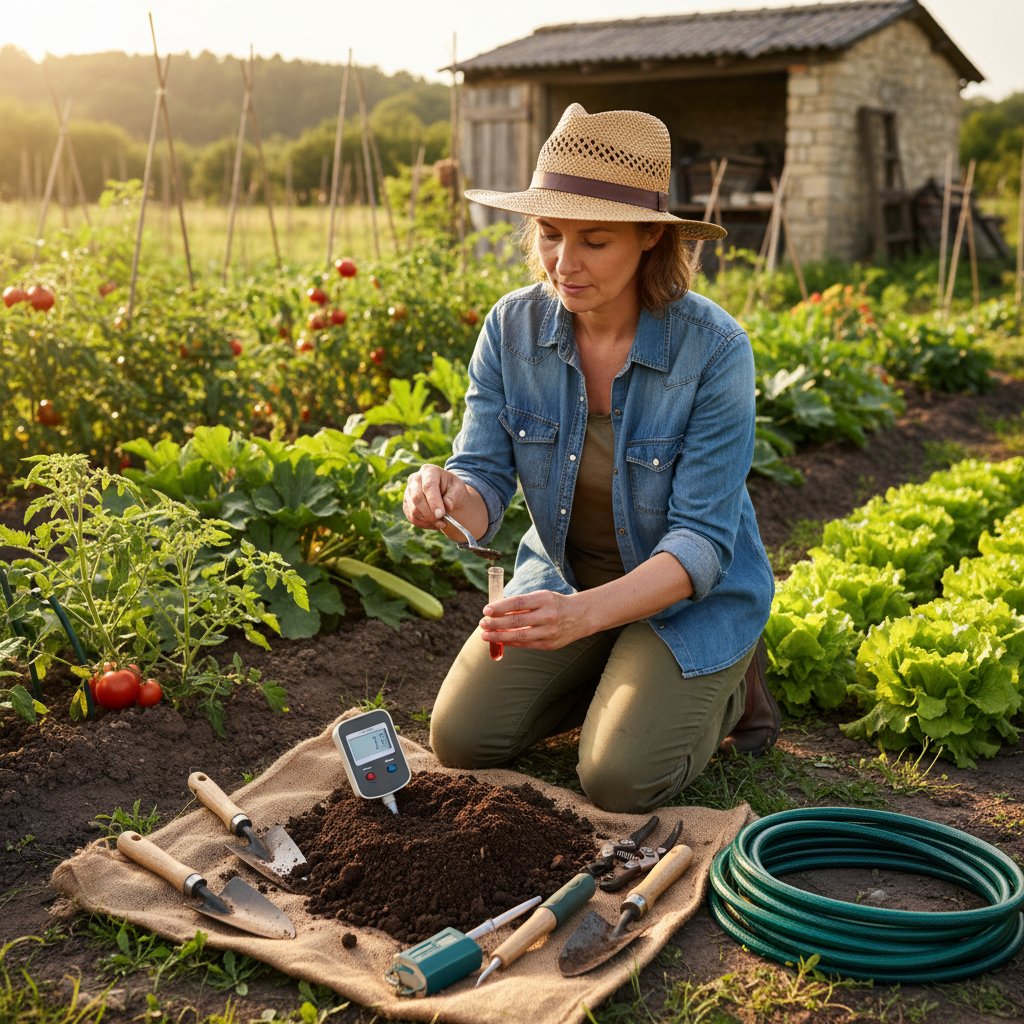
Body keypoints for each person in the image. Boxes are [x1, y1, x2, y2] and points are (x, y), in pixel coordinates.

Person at [402, 103, 778, 813]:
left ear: (648, 239)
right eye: (549, 234)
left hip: (686, 594)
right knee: (461, 739)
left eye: (595, 241)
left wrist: (581, 621)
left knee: (618, 779)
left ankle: (730, 685)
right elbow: (483, 474)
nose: (563, 264)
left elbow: (700, 542)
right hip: (566, 577)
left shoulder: (714, 350)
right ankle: (617, 667)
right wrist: (446, 494)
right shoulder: (513, 327)